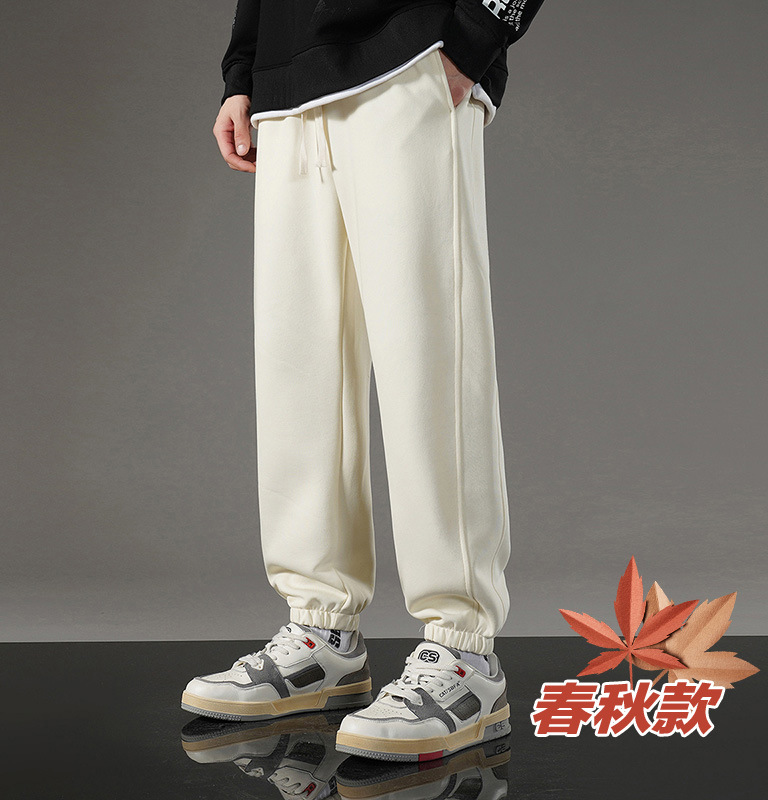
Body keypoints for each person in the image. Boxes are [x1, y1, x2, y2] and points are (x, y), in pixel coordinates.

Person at [181, 0, 546, 762]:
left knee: (431, 358)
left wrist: (477, 34)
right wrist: (244, 68)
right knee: (299, 367)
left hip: (408, 53)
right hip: (289, 79)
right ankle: (322, 635)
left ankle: (464, 652)